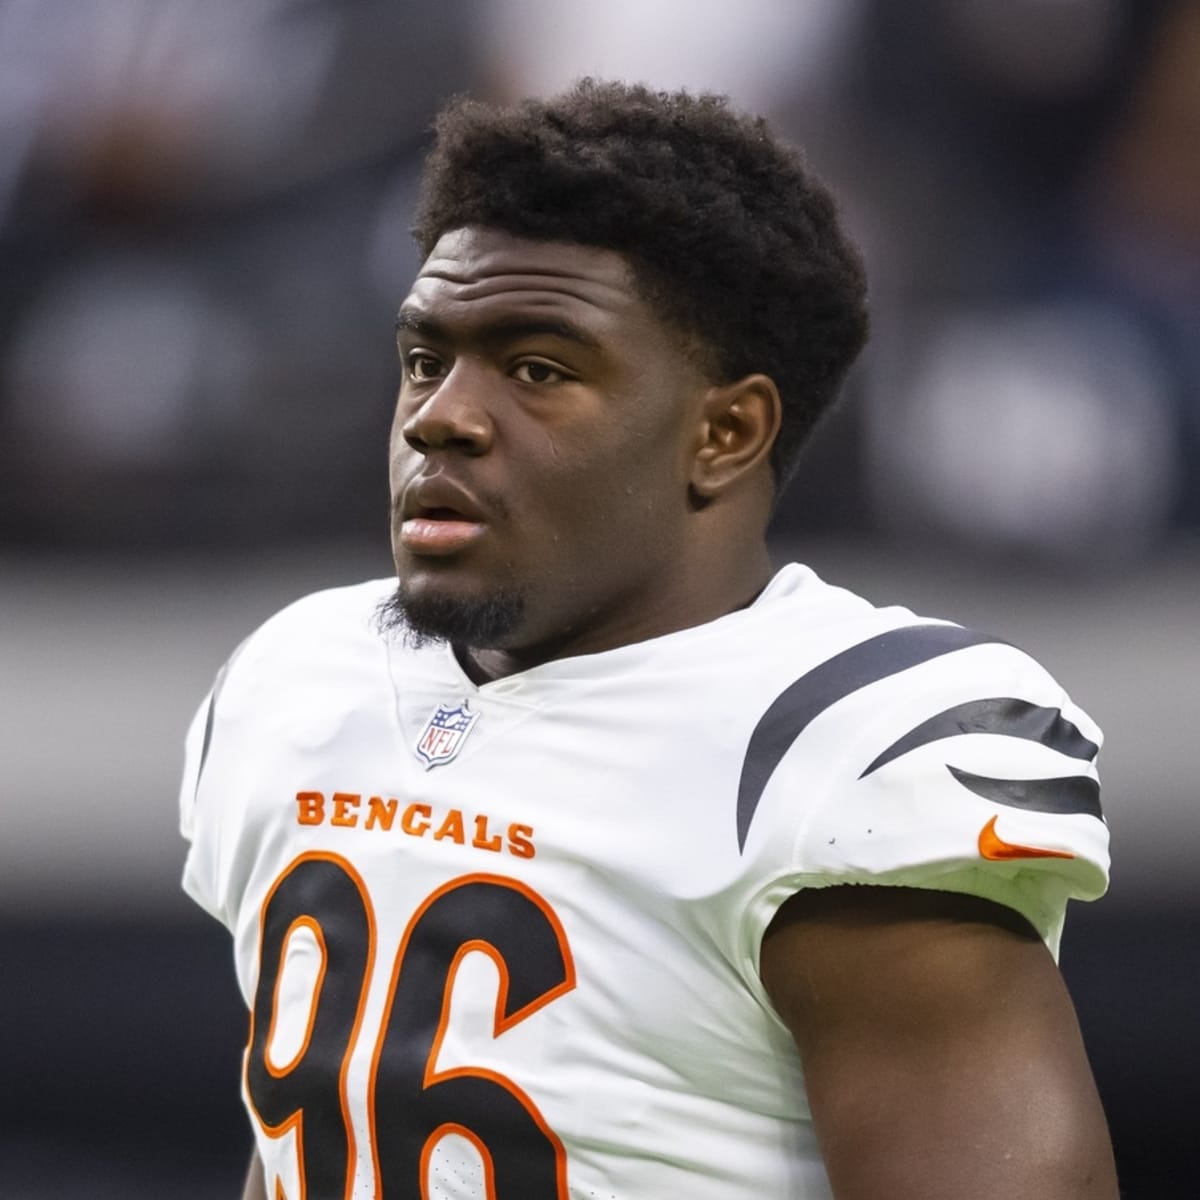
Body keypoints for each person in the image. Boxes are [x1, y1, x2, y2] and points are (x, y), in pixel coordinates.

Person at [179, 79, 1118, 1199]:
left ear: (726, 432)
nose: (442, 414)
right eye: (428, 358)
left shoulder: (833, 745)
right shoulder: (301, 676)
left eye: (537, 369)